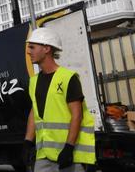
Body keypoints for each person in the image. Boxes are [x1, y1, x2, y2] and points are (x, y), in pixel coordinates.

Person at [23, 27, 96, 172]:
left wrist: (68, 148)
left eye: (32, 47)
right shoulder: (34, 81)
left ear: (46, 48)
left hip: (68, 155)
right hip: (43, 155)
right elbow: (34, 112)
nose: (28, 51)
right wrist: (27, 142)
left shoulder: (68, 77)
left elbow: (77, 115)